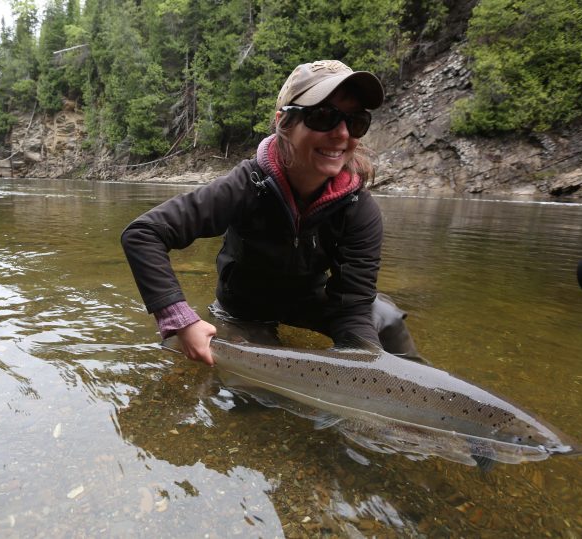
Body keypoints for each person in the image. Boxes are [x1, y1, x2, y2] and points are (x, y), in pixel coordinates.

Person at [121, 59, 423, 366]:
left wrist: (364, 374)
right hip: (244, 308)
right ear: (284, 123)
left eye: (356, 121)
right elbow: (144, 234)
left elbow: (353, 308)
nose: (342, 134)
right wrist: (181, 321)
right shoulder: (244, 186)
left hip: (310, 302)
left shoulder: (359, 209)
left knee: (385, 320)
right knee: (256, 396)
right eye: (324, 117)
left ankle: (429, 395)